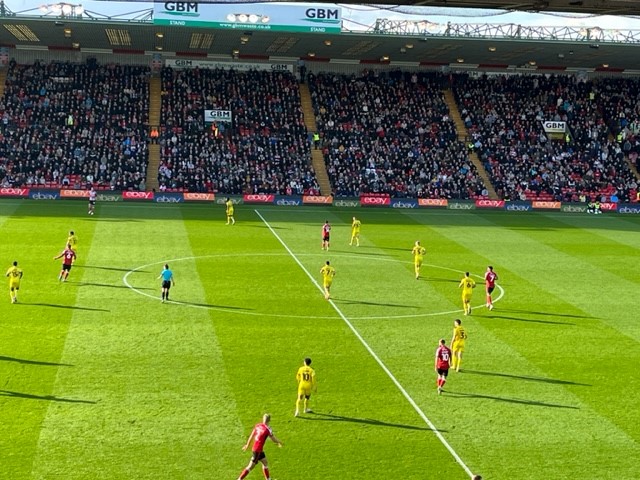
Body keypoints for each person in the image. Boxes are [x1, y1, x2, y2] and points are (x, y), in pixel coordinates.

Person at [237, 413, 283, 480]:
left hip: (257, 449)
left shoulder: (258, 425)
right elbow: (273, 439)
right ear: (269, 421)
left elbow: (251, 436)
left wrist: (247, 445)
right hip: (257, 451)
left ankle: (268, 479)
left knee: (265, 462)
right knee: (250, 467)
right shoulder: (268, 429)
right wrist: (280, 442)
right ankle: (239, 479)